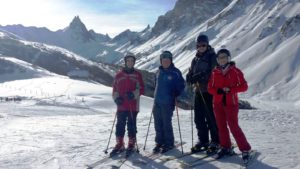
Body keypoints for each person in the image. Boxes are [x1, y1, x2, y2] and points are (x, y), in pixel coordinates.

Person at [207, 49, 251, 160]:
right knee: (221, 127)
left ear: (228, 58)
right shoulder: (214, 72)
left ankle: (245, 149)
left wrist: (231, 90)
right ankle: (225, 146)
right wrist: (219, 91)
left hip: (231, 103)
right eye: (220, 58)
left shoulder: (235, 71)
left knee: (233, 126)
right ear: (217, 60)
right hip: (217, 104)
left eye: (224, 57)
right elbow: (210, 88)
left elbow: (244, 86)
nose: (222, 59)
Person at [186, 34, 219, 154]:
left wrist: (202, 76)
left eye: (203, 45)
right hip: (198, 91)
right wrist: (190, 77)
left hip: (209, 92)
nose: (201, 47)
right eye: (198, 45)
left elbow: (214, 72)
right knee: (198, 118)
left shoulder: (212, 57)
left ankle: (216, 140)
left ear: (207, 44)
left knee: (211, 117)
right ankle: (203, 140)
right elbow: (191, 71)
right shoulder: (195, 59)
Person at [111, 53, 145, 156]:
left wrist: (134, 94)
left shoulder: (137, 75)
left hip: (133, 105)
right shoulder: (119, 75)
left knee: (131, 124)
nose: (130, 62)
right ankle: (120, 143)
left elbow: (142, 89)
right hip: (121, 105)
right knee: (120, 125)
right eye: (128, 60)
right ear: (125, 62)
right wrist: (116, 99)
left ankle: (131, 143)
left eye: (132, 61)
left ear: (134, 62)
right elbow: (115, 89)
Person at [152, 51, 185, 153]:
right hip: (157, 102)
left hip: (168, 102)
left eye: (167, 60)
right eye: (163, 60)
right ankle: (159, 142)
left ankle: (169, 143)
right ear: (161, 61)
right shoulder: (158, 72)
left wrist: (177, 91)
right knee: (157, 123)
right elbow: (155, 84)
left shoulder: (175, 72)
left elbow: (182, 85)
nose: (165, 62)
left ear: (171, 61)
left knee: (166, 123)